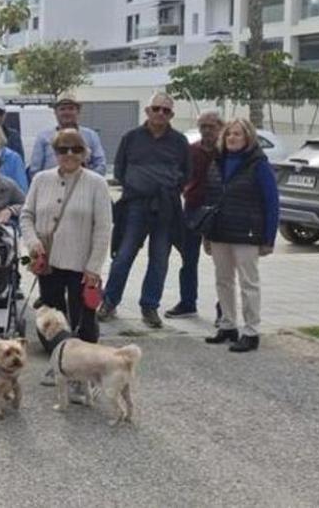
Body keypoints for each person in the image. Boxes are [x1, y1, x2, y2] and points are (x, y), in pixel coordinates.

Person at [21, 129, 113, 400]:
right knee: (52, 319)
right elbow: (26, 215)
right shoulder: (41, 179)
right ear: (55, 153)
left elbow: (103, 228)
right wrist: (32, 242)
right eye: (63, 149)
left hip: (82, 264)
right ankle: (59, 364)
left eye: (75, 149)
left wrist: (94, 266)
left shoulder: (97, 183)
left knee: (84, 320)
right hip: (48, 262)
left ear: (84, 153)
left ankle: (86, 375)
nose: (69, 154)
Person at [99, 93, 190, 328]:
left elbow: (186, 173)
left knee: (159, 259)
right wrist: (138, 185)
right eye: (157, 108)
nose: (161, 113)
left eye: (166, 110)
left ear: (172, 115)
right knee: (124, 255)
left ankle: (150, 306)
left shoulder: (179, 141)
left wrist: (167, 188)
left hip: (165, 208)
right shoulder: (131, 137)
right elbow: (119, 169)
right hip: (135, 205)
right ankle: (109, 301)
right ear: (148, 110)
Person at [202, 118, 279, 353]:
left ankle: (251, 330)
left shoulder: (259, 164)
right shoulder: (217, 162)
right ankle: (227, 325)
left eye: (238, 134)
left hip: (247, 232)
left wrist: (269, 238)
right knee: (223, 280)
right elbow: (210, 199)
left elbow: (271, 201)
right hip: (220, 231)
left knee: (248, 282)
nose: (232, 138)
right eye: (229, 134)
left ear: (248, 138)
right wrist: (207, 234)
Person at [166, 110, 222, 319]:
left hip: (219, 210)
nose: (207, 130)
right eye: (203, 126)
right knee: (188, 258)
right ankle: (188, 302)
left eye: (211, 126)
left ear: (220, 128)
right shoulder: (191, 150)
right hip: (193, 208)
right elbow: (179, 175)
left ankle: (223, 308)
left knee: (222, 263)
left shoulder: (226, 152)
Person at [28, 94, 107, 176]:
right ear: (55, 112)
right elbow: (35, 169)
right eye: (62, 109)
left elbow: (101, 165)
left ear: (78, 111)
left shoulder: (90, 136)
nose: (67, 112)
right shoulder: (43, 137)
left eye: (71, 109)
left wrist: (87, 179)